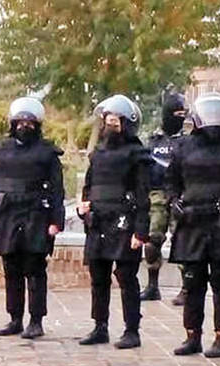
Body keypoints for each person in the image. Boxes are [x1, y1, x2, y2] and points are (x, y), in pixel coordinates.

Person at [166, 92, 220, 358]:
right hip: (192, 221)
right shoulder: (183, 147)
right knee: (192, 283)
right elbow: (171, 181)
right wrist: (174, 202)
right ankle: (192, 335)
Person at [0, 97, 65, 339]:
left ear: (37, 124)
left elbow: (57, 190)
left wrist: (56, 221)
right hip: (7, 214)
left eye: (29, 122)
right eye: (20, 122)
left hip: (35, 214)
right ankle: (15, 318)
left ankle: (36, 321)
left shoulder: (47, 152)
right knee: (11, 269)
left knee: (35, 268)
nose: (24, 126)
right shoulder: (3, 150)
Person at [78, 95, 151, 349]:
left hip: (124, 221)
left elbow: (142, 195)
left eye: (116, 122)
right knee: (98, 276)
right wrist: (84, 207)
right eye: (108, 122)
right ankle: (100, 326)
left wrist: (140, 231)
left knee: (126, 277)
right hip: (98, 220)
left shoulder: (137, 155)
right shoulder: (97, 154)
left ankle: (132, 330)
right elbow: (88, 187)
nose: (111, 126)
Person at [140, 93, 188, 306]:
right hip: (156, 194)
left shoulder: (187, 142)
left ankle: (186, 289)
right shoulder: (153, 141)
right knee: (152, 241)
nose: (180, 118)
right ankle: (152, 286)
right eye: (176, 114)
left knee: (182, 241)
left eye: (182, 115)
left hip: (180, 195)